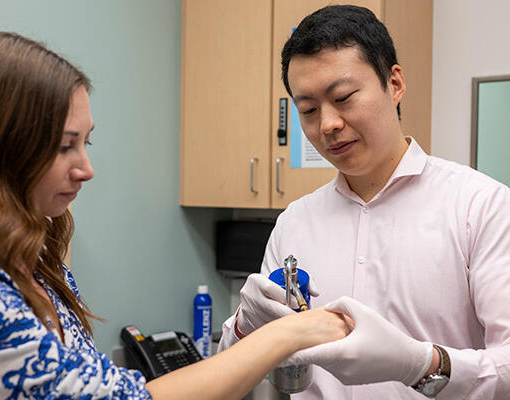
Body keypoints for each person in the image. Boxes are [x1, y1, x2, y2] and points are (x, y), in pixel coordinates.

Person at [0, 32, 350, 400]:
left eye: (86, 143)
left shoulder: (37, 266)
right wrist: (286, 335)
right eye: (64, 145)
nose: (85, 168)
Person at [218, 4, 510, 399]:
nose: (327, 125)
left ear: (395, 84)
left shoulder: (480, 207)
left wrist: (424, 364)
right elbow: (229, 375)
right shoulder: (295, 223)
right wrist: (242, 326)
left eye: (343, 97)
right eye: (307, 110)